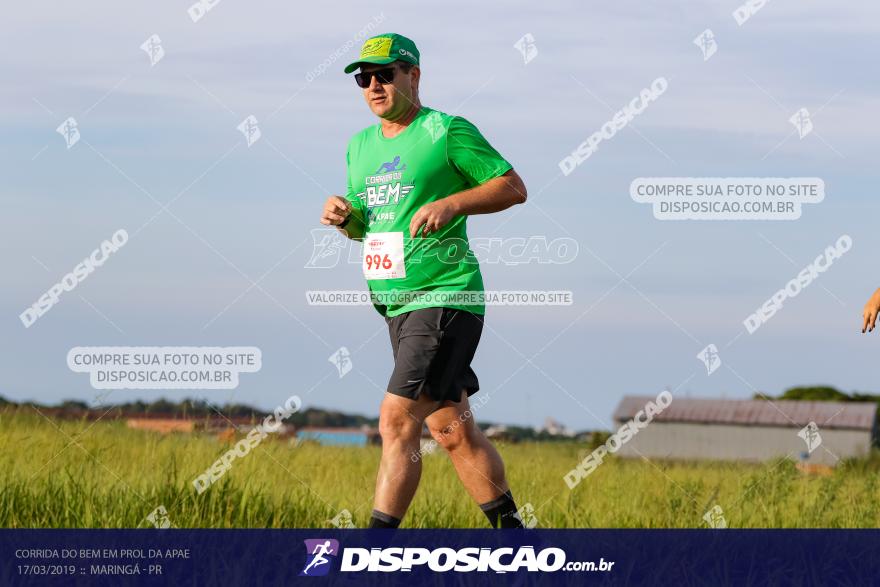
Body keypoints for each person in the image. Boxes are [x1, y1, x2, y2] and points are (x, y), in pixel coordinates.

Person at [320, 33, 528, 528]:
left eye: (384, 74)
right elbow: (365, 225)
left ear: (413, 75)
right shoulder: (359, 146)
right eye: (363, 78)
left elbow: (512, 186)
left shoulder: (447, 130)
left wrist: (452, 202)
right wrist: (344, 216)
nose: (372, 85)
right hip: (395, 302)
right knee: (452, 431)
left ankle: (373, 555)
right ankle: (518, 545)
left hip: (445, 294)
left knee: (395, 421)